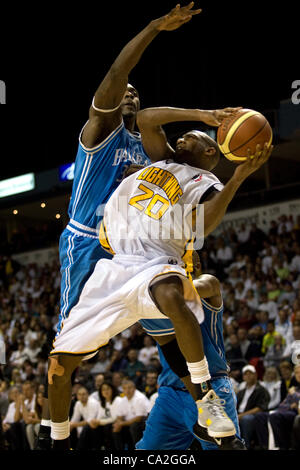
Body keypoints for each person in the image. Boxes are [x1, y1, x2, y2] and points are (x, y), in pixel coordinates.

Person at [48, 99, 272, 450]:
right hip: (114, 267)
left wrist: (238, 177)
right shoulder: (161, 160)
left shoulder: (203, 180)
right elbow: (148, 118)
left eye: (192, 138)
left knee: (170, 294)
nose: (181, 139)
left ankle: (205, 402)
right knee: (59, 369)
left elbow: (203, 223)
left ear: (211, 151)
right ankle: (57, 442)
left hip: (155, 263)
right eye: (180, 137)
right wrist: (202, 115)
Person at [41, 3, 203, 451]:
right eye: (123, 91)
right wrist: (154, 27)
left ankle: (206, 408)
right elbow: (118, 69)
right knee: (67, 349)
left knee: (169, 330)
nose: (129, 94)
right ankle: (56, 437)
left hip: (137, 250)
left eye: (136, 92)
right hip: (89, 245)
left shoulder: (149, 148)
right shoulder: (98, 134)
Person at [136, 253, 245, 450]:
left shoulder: (208, 283)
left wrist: (154, 288)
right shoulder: (152, 293)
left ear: (196, 263)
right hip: (171, 390)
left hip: (212, 386)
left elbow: (175, 295)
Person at [236, 365, 270, 449]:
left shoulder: (261, 390)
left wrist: (242, 415)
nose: (248, 376)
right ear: (243, 377)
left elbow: (260, 408)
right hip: (239, 414)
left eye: (250, 373)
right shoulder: (241, 392)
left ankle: (246, 446)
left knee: (247, 419)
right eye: (245, 374)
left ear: (255, 375)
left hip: (254, 415)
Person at [112, 379, 151, 450]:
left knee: (134, 426)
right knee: (114, 427)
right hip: (130, 423)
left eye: (129, 388)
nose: (127, 390)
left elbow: (139, 418)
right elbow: (119, 416)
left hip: (145, 422)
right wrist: (118, 424)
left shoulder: (139, 398)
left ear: (134, 388)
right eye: (124, 388)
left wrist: (121, 423)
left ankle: (138, 448)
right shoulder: (123, 399)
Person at [88, 381, 122, 450]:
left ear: (112, 389)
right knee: (89, 428)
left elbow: (114, 418)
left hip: (119, 424)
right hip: (107, 425)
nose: (106, 391)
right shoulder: (102, 403)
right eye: (103, 389)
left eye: (108, 389)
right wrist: (94, 422)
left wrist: (99, 422)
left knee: (107, 427)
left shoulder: (117, 400)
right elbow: (99, 418)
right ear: (101, 392)